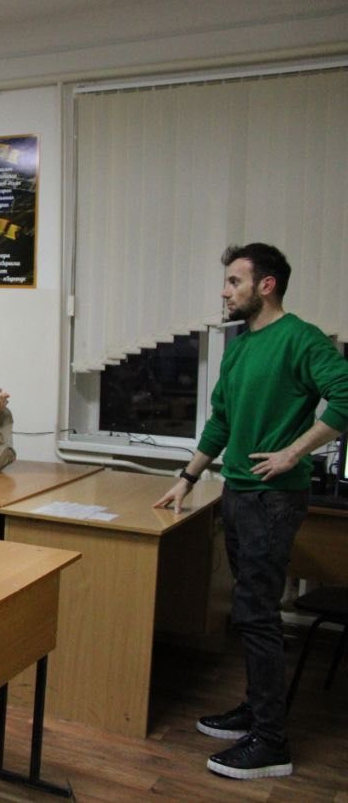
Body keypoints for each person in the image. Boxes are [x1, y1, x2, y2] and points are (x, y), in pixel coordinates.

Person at [154, 243, 348, 781]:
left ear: (266, 285)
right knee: (249, 612)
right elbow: (221, 420)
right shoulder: (240, 347)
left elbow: (344, 396)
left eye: (234, 282)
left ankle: (271, 741)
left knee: (257, 614)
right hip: (237, 493)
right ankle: (256, 710)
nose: (224, 291)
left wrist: (293, 452)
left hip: (273, 498)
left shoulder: (301, 339)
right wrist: (187, 477)